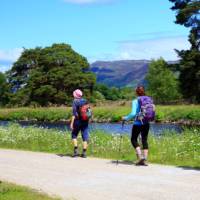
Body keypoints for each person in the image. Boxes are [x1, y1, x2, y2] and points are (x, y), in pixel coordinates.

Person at [122, 85, 154, 166]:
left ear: (136, 92)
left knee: (133, 139)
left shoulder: (135, 101)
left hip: (138, 123)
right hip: (146, 122)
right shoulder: (149, 99)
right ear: (144, 91)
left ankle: (140, 157)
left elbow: (133, 113)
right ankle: (145, 159)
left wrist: (125, 118)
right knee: (144, 140)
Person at [70, 89, 90, 158]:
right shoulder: (85, 101)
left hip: (77, 121)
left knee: (74, 135)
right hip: (85, 121)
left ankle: (76, 151)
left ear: (75, 95)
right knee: (85, 136)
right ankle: (84, 153)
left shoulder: (75, 102)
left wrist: (72, 123)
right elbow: (88, 112)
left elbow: (74, 114)